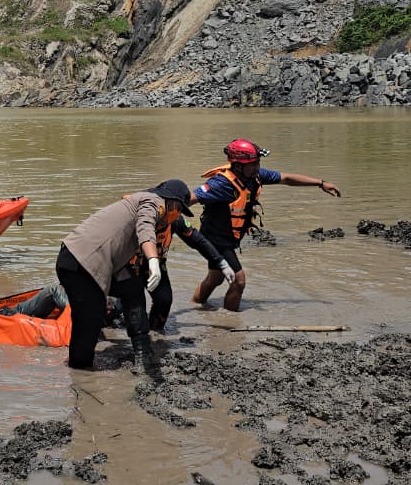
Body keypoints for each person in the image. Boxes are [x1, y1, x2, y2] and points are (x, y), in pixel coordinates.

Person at [55, 182, 202, 374]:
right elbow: (145, 228)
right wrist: (153, 261)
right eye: (179, 210)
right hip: (80, 263)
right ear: (172, 202)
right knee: (89, 321)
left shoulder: (149, 202)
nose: (178, 215)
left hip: (102, 263)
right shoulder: (153, 202)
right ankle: (80, 373)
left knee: (132, 289)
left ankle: (142, 350)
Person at [191, 138, 342, 312]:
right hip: (215, 240)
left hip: (228, 238)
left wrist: (320, 183)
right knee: (239, 281)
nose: (257, 167)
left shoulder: (254, 176)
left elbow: (285, 178)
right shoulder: (220, 184)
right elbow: (191, 198)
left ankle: (196, 306)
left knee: (215, 278)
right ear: (238, 165)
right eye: (253, 164)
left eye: (258, 162)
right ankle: (228, 323)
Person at [136, 179, 235, 330]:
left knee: (164, 301)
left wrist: (222, 263)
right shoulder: (142, 214)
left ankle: (155, 334)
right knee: (125, 304)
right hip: (129, 265)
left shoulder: (175, 220)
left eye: (181, 210)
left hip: (157, 265)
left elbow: (198, 241)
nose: (178, 213)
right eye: (178, 208)